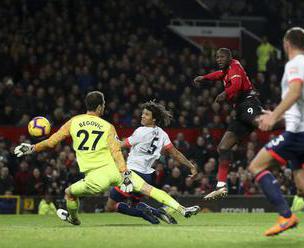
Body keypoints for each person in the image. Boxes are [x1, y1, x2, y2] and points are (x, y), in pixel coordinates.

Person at [14, 91, 200, 225]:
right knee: (149, 189)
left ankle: (74, 219)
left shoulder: (73, 122)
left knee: (69, 193)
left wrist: (32, 147)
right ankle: (182, 209)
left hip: (95, 177)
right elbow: (116, 152)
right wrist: (125, 173)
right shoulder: (108, 126)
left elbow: (51, 142)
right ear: (100, 107)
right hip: (116, 171)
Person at [248, 27, 304, 236]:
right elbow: (302, 104)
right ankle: (287, 215)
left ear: (286, 43)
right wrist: (279, 115)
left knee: (256, 166)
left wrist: (273, 118)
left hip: (299, 133)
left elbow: (295, 91)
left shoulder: (295, 64)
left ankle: (286, 216)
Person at [105, 101, 198, 224]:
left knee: (110, 206)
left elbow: (122, 145)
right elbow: (175, 153)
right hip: (147, 176)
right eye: (143, 113)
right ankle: (157, 212)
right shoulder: (162, 134)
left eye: (146, 114)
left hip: (132, 173)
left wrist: (111, 140)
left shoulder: (141, 131)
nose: (142, 116)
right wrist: (191, 166)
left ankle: (147, 214)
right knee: (135, 204)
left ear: (154, 119)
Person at [193, 48, 263, 199]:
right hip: (239, 112)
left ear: (230, 57)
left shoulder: (235, 66)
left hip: (248, 103)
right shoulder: (225, 71)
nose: (218, 59)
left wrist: (225, 93)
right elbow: (218, 75)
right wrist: (204, 78)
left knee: (263, 123)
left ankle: (295, 119)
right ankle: (221, 186)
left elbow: (237, 84)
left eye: (222, 56)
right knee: (223, 147)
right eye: (217, 57)